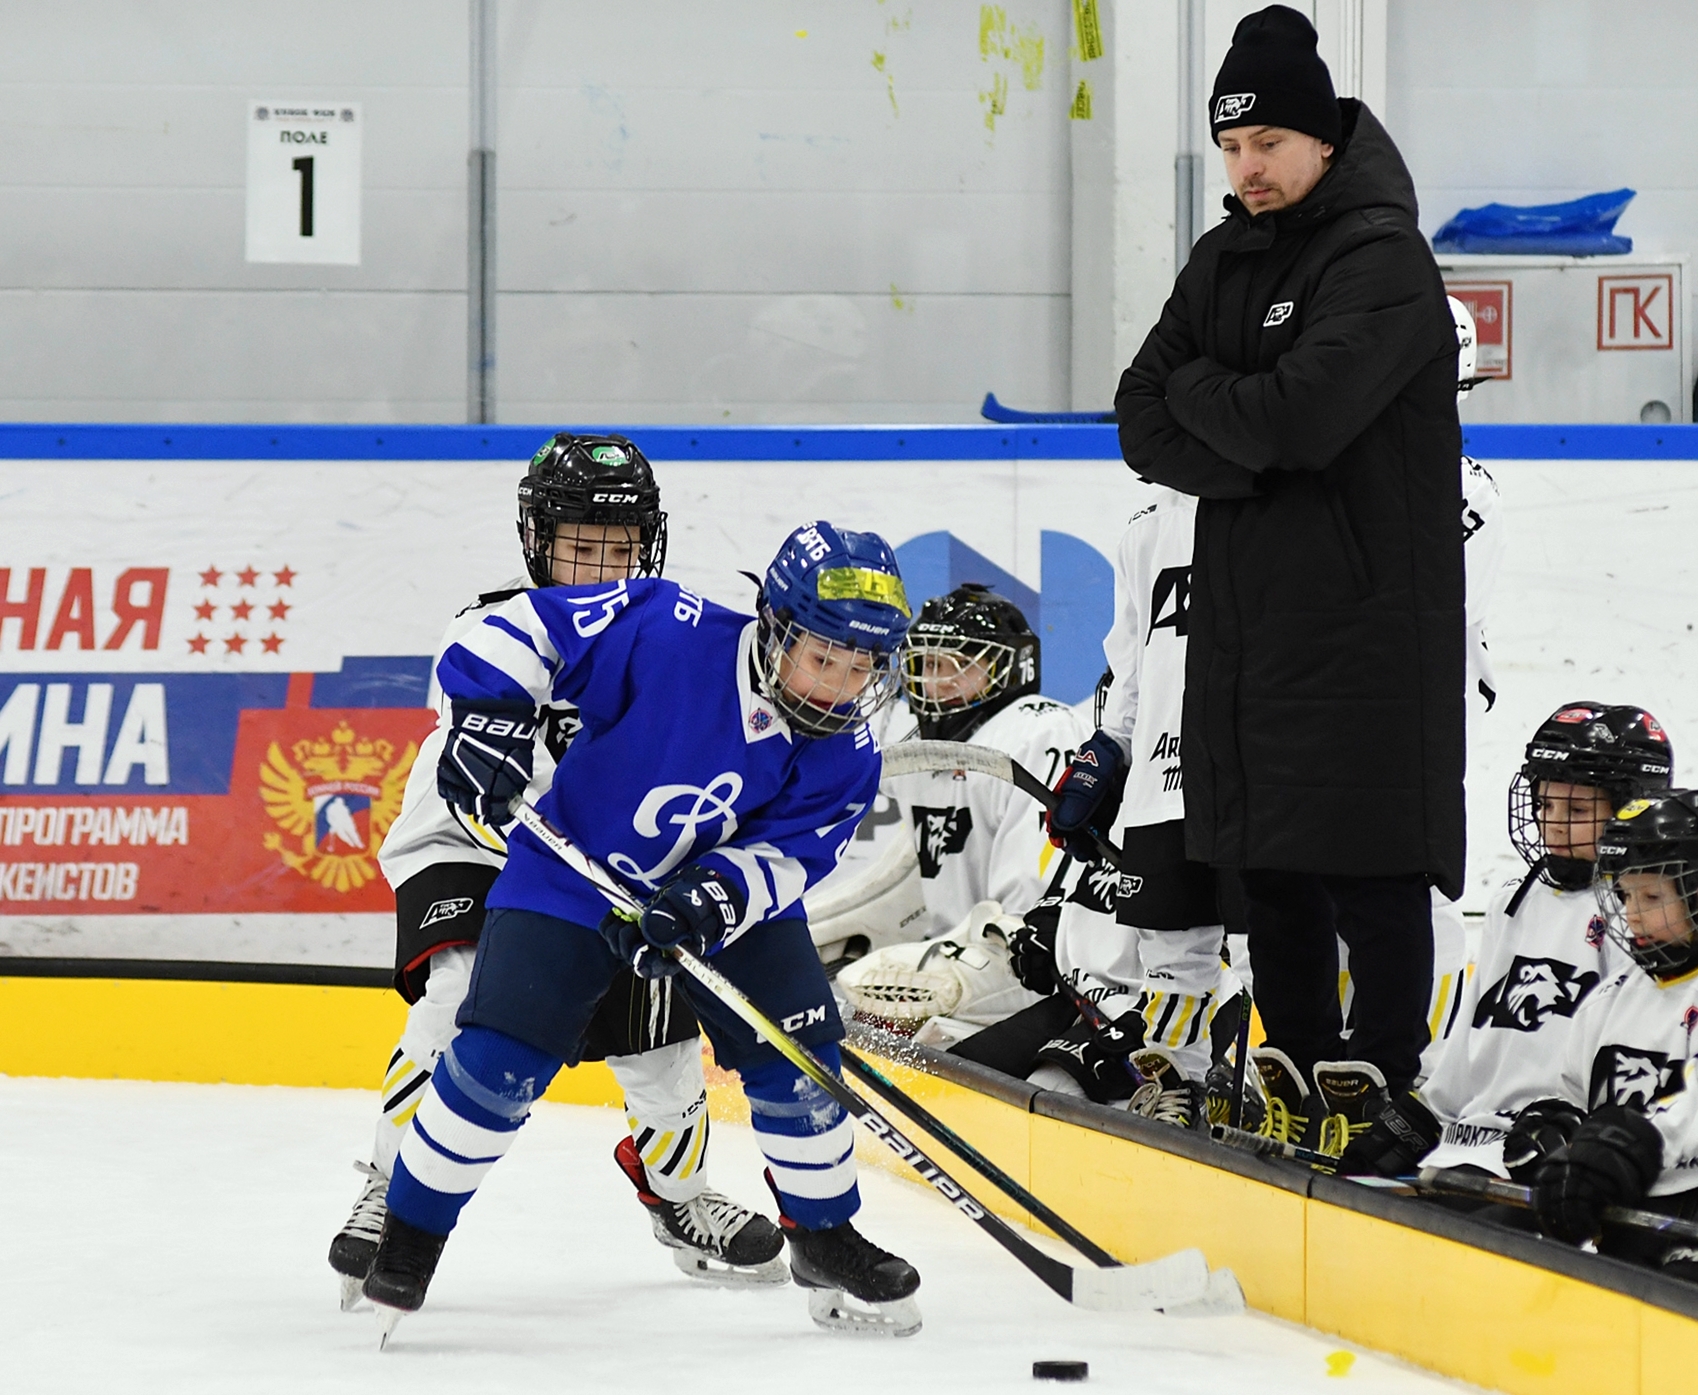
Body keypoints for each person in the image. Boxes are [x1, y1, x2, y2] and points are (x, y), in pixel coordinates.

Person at [361, 521, 925, 1340]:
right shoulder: (668, 629)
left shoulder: (847, 749)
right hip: (570, 873)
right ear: (773, 627)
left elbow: (795, 854)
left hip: (718, 901)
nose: (837, 686)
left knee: (801, 1052)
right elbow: (516, 627)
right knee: (498, 1060)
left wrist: (715, 900)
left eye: (860, 665)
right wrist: (486, 717)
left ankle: (824, 1232)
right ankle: (410, 1236)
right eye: (822, 657)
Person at [1098, 6, 1467, 1115]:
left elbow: (1299, 423)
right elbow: (1137, 419)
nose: (1245, 167)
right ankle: (1302, 1063)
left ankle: (1390, 1077)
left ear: (1322, 141)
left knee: (1371, 864)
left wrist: (1222, 419)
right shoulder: (1220, 261)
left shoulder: (1387, 259)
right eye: (1229, 147)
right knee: (1269, 867)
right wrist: (1243, 434)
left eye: (1265, 144)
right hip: (1248, 625)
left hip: (1365, 624)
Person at [328, 434, 789, 1304]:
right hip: (468, 847)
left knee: (659, 1049)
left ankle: (677, 1192)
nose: (601, 563)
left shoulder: (672, 638)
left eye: (619, 547)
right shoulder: (490, 622)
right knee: (457, 997)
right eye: (582, 543)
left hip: (604, 865)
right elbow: (479, 730)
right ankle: (392, 1183)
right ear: (539, 540)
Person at [1336, 703, 1674, 1178]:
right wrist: (1426, 1112)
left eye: (1576, 809)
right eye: (1545, 804)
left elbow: (1634, 1053)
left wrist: (1578, 1124)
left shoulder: (1636, 915)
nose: (1553, 822)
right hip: (1468, 1144)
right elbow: (1478, 1031)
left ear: (1629, 808)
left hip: (1555, 1151)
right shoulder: (1514, 901)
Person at [831, 586, 1087, 1040]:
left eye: (955, 666)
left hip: (1038, 974)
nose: (933, 683)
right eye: (926, 665)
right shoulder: (919, 754)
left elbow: (1031, 916)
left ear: (1009, 668)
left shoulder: (1036, 732)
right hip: (959, 959)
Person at [1519, 790, 1698, 1281]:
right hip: (1630, 1219)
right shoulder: (1614, 993)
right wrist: (1555, 1133)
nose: (1633, 914)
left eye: (1653, 896)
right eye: (1625, 895)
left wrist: (1631, 1142)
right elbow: (1573, 1092)